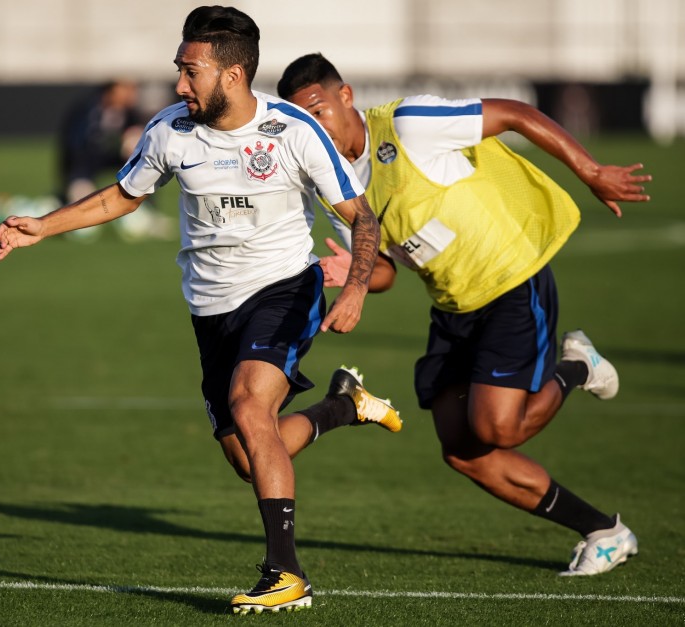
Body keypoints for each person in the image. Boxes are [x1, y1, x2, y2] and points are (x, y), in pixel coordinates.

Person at [0, 6, 401, 614]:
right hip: (211, 310)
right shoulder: (170, 132)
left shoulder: (293, 130)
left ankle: (285, 573)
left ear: (233, 75)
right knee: (248, 453)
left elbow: (362, 218)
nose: (180, 84)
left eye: (191, 71)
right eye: (179, 70)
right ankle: (345, 407)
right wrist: (42, 228)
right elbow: (120, 197)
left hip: (285, 289)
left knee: (247, 402)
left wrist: (351, 291)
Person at [277, 53, 652, 577]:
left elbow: (516, 113)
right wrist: (350, 271)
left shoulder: (408, 125)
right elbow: (385, 269)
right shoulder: (334, 185)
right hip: (454, 307)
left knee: (496, 428)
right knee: (464, 451)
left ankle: (578, 367)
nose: (315, 128)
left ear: (346, 97)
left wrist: (590, 170)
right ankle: (605, 531)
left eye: (319, 111)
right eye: (302, 121)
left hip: (512, 282)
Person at [56, 79, 144, 205]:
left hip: (113, 160)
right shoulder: (86, 110)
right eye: (126, 88)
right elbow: (75, 148)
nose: (131, 93)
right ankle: (62, 197)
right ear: (112, 89)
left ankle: (143, 205)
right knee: (84, 204)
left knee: (143, 159)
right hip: (83, 164)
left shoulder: (130, 113)